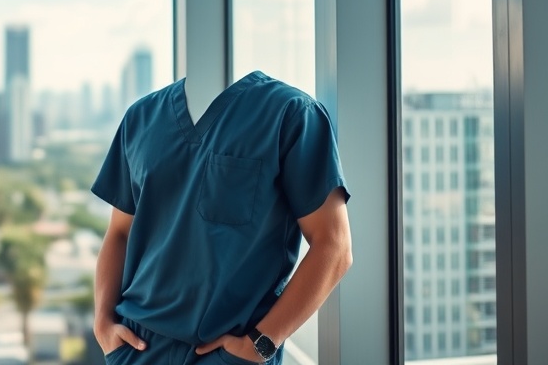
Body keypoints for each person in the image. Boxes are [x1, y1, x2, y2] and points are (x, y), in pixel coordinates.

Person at [91, 70, 352, 364]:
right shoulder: (142, 117)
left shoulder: (291, 114)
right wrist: (102, 321)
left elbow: (334, 246)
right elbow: (119, 233)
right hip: (137, 349)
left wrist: (261, 344)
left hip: (229, 354)